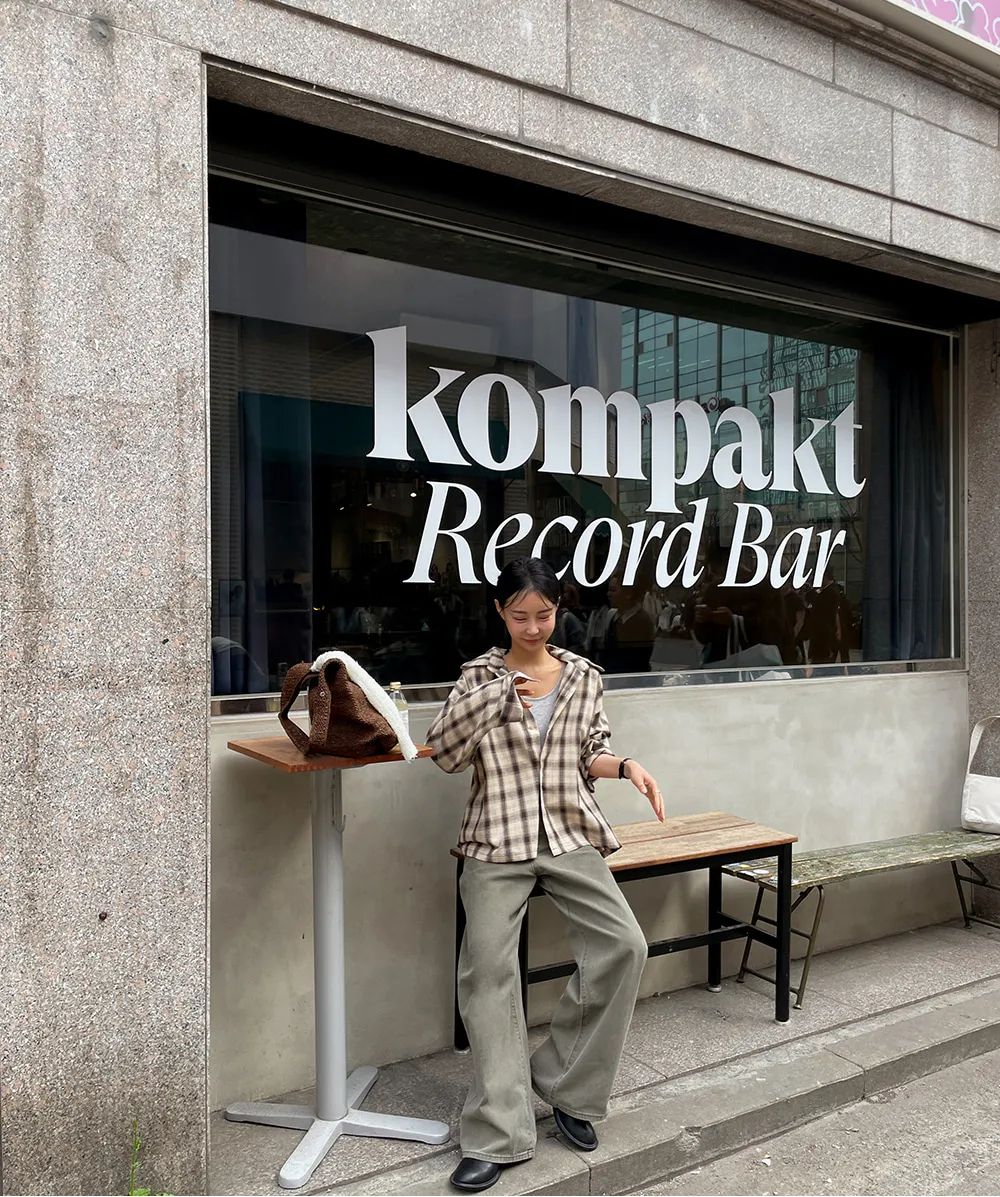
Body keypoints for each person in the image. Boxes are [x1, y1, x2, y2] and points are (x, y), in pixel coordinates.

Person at [427, 557, 663, 1193]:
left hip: (567, 833)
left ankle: (565, 1085)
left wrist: (626, 767)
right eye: (520, 615)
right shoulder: (477, 677)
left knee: (624, 946)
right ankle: (497, 1131)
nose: (532, 627)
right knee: (486, 971)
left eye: (544, 614)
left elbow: (590, 752)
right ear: (499, 613)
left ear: (559, 611)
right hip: (496, 838)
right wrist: (497, 696)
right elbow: (444, 753)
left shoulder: (583, 676)